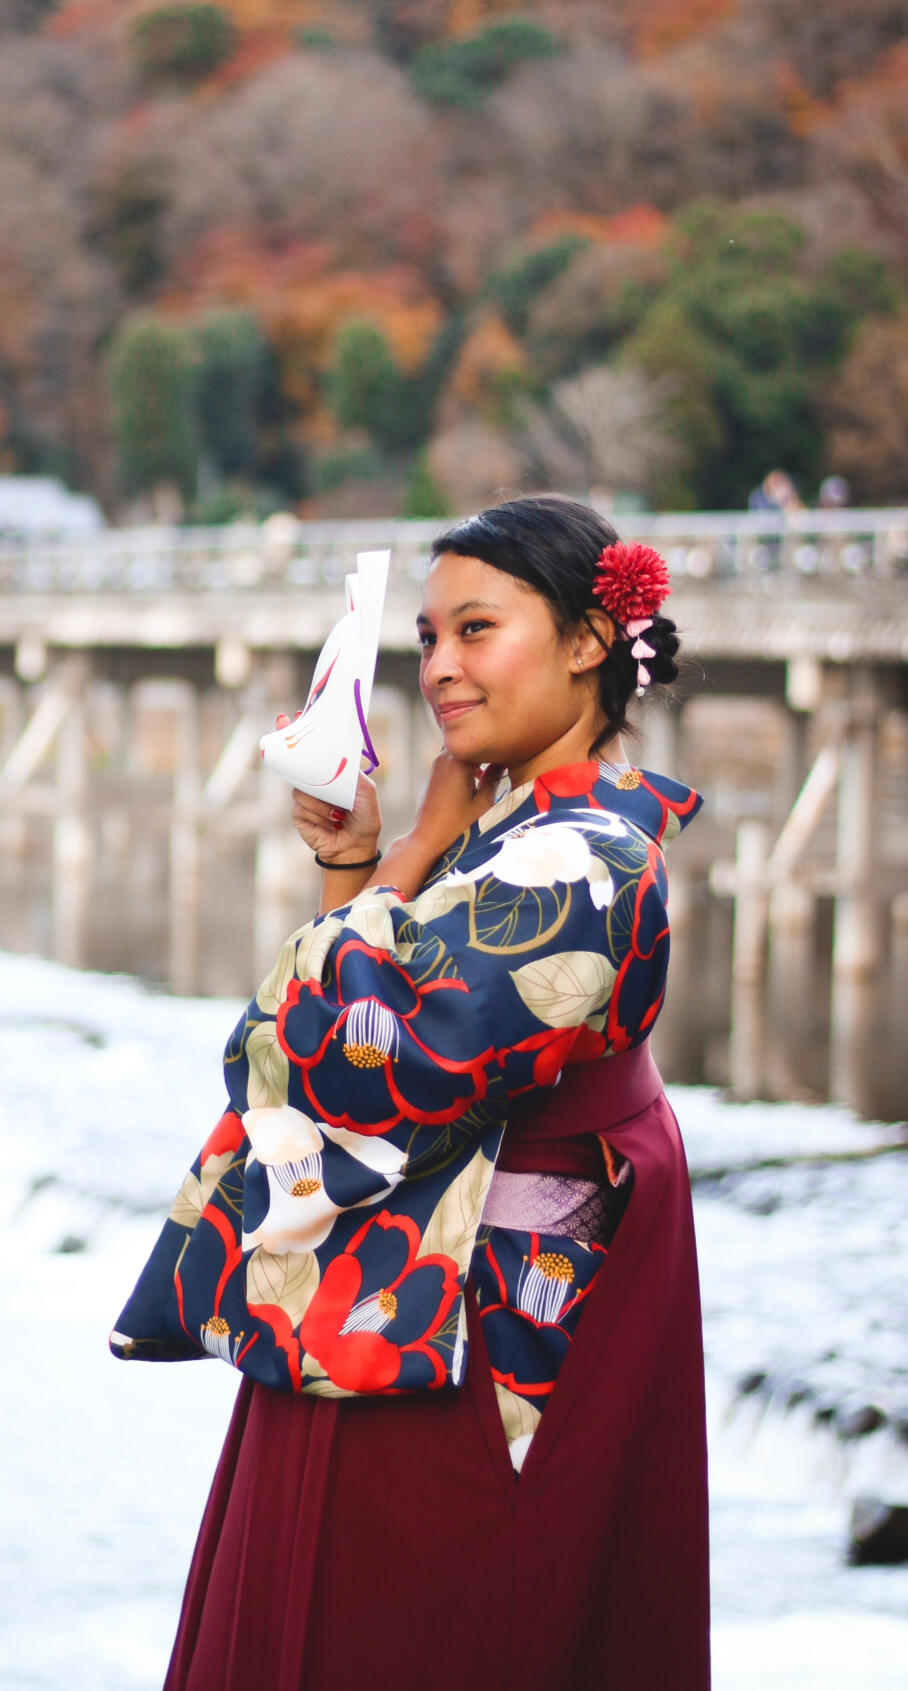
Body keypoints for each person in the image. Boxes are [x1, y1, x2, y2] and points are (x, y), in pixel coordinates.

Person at [112, 494, 709, 1691]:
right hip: (419, 1279)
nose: (437, 666)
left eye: (475, 628)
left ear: (588, 639)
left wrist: (401, 855)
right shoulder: (518, 832)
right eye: (427, 636)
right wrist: (363, 862)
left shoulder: (582, 857)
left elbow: (348, 1059)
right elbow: (358, 1029)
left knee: (436, 1617)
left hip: (479, 1323)